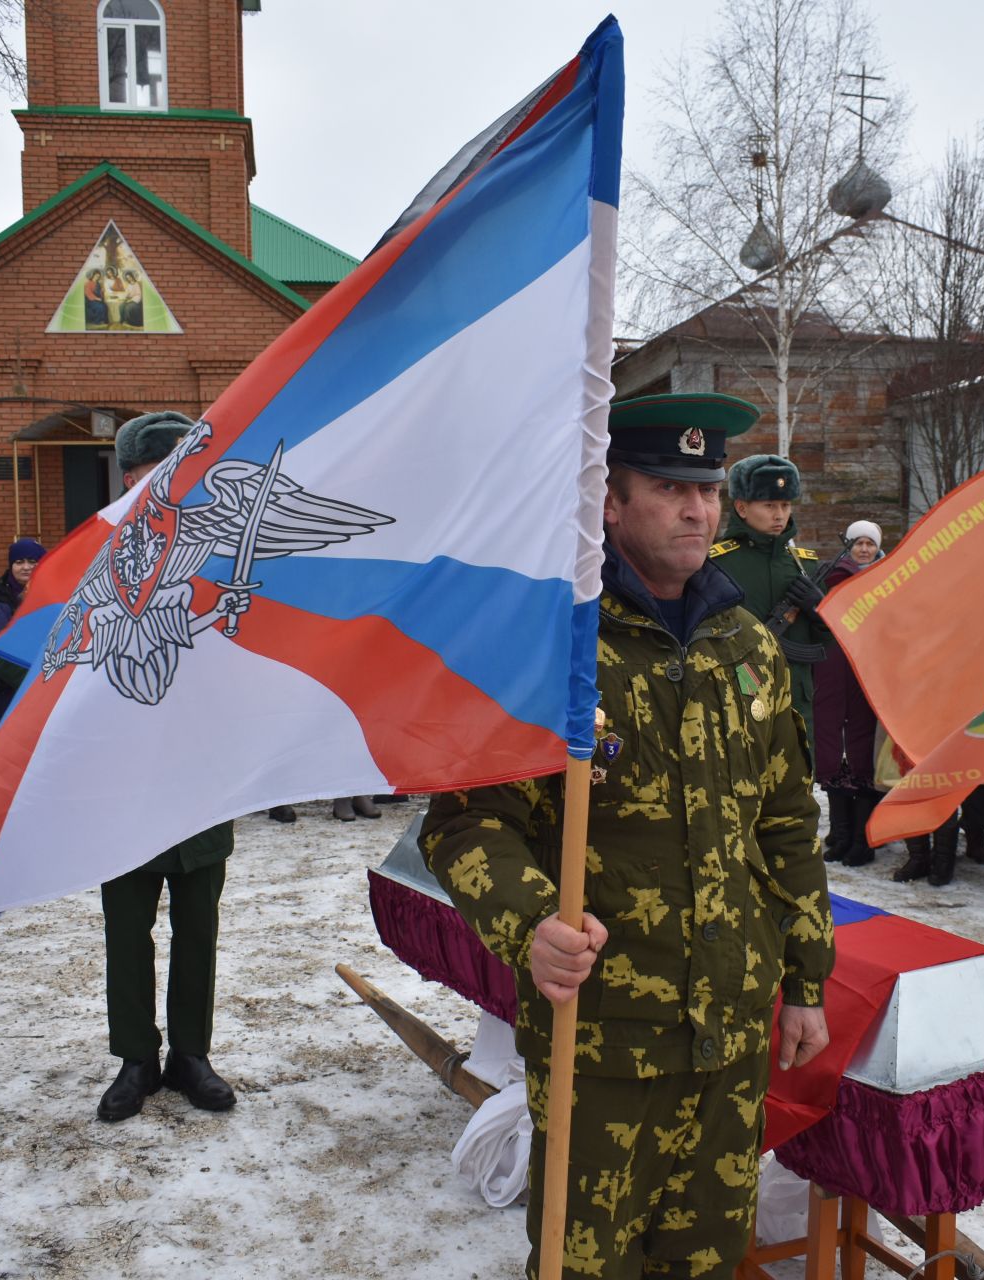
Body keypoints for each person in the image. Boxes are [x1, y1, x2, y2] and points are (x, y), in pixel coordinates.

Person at [422, 392, 833, 1279]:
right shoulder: (550, 645)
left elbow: (786, 821)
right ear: (610, 501)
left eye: (710, 489)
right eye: (670, 487)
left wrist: (805, 978)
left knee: (710, 1264)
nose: (699, 509)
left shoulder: (746, 645)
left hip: (727, 1038)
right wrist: (531, 920)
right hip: (601, 1040)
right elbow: (467, 822)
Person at [95, 411, 238, 1123]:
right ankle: (134, 1056)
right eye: (144, 478)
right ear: (126, 481)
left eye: (170, 476)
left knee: (198, 930)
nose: (155, 490)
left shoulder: (215, 558)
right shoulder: (95, 560)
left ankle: (191, 1054)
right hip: (121, 788)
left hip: (199, 783)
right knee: (127, 931)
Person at [709, 452, 832, 767]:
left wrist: (819, 608)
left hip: (795, 695)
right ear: (741, 507)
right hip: (740, 687)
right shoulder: (716, 564)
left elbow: (832, 640)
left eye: (786, 505)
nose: (780, 514)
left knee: (795, 784)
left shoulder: (805, 564)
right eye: (769, 506)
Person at [814, 519, 889, 869]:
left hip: (868, 672)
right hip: (832, 669)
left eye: (869, 544)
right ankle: (841, 834)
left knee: (862, 751)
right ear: (848, 545)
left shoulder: (888, 579)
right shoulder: (829, 578)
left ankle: (863, 838)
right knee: (833, 750)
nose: (863, 549)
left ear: (877, 548)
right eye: (857, 543)